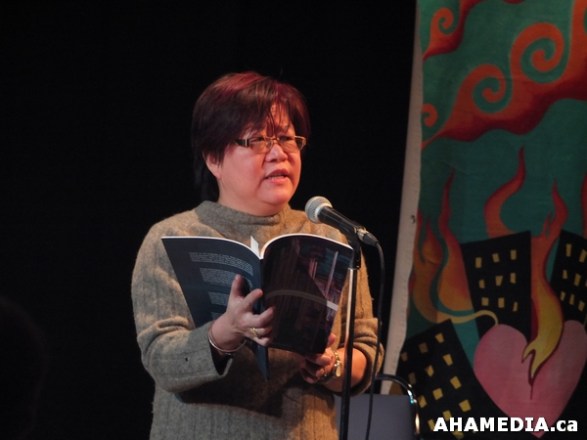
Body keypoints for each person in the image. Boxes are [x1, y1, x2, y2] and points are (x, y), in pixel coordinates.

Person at [131, 71, 383, 440]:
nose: (279, 153)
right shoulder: (171, 237)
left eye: (288, 138)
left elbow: (365, 353)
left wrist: (331, 365)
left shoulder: (331, 237)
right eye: (258, 140)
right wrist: (225, 333)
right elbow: (160, 359)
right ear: (213, 158)